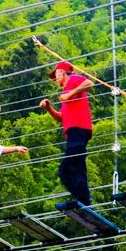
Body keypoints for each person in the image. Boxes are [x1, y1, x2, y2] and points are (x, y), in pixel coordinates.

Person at [39, 61, 94, 205]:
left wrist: (69, 94)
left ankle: (83, 201)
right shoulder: (66, 92)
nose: (55, 79)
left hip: (77, 129)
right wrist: (49, 107)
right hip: (75, 131)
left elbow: (89, 83)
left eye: (56, 75)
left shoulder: (73, 79)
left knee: (65, 171)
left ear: (62, 72)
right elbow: (61, 117)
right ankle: (84, 201)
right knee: (77, 168)